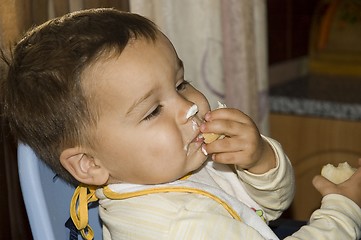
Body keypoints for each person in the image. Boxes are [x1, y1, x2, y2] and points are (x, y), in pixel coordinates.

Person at [1, 8, 360, 240]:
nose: (189, 107)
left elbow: (274, 204)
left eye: (180, 84)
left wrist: (259, 162)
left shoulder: (177, 163)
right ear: (91, 164)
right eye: (153, 111)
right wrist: (345, 208)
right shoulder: (175, 228)